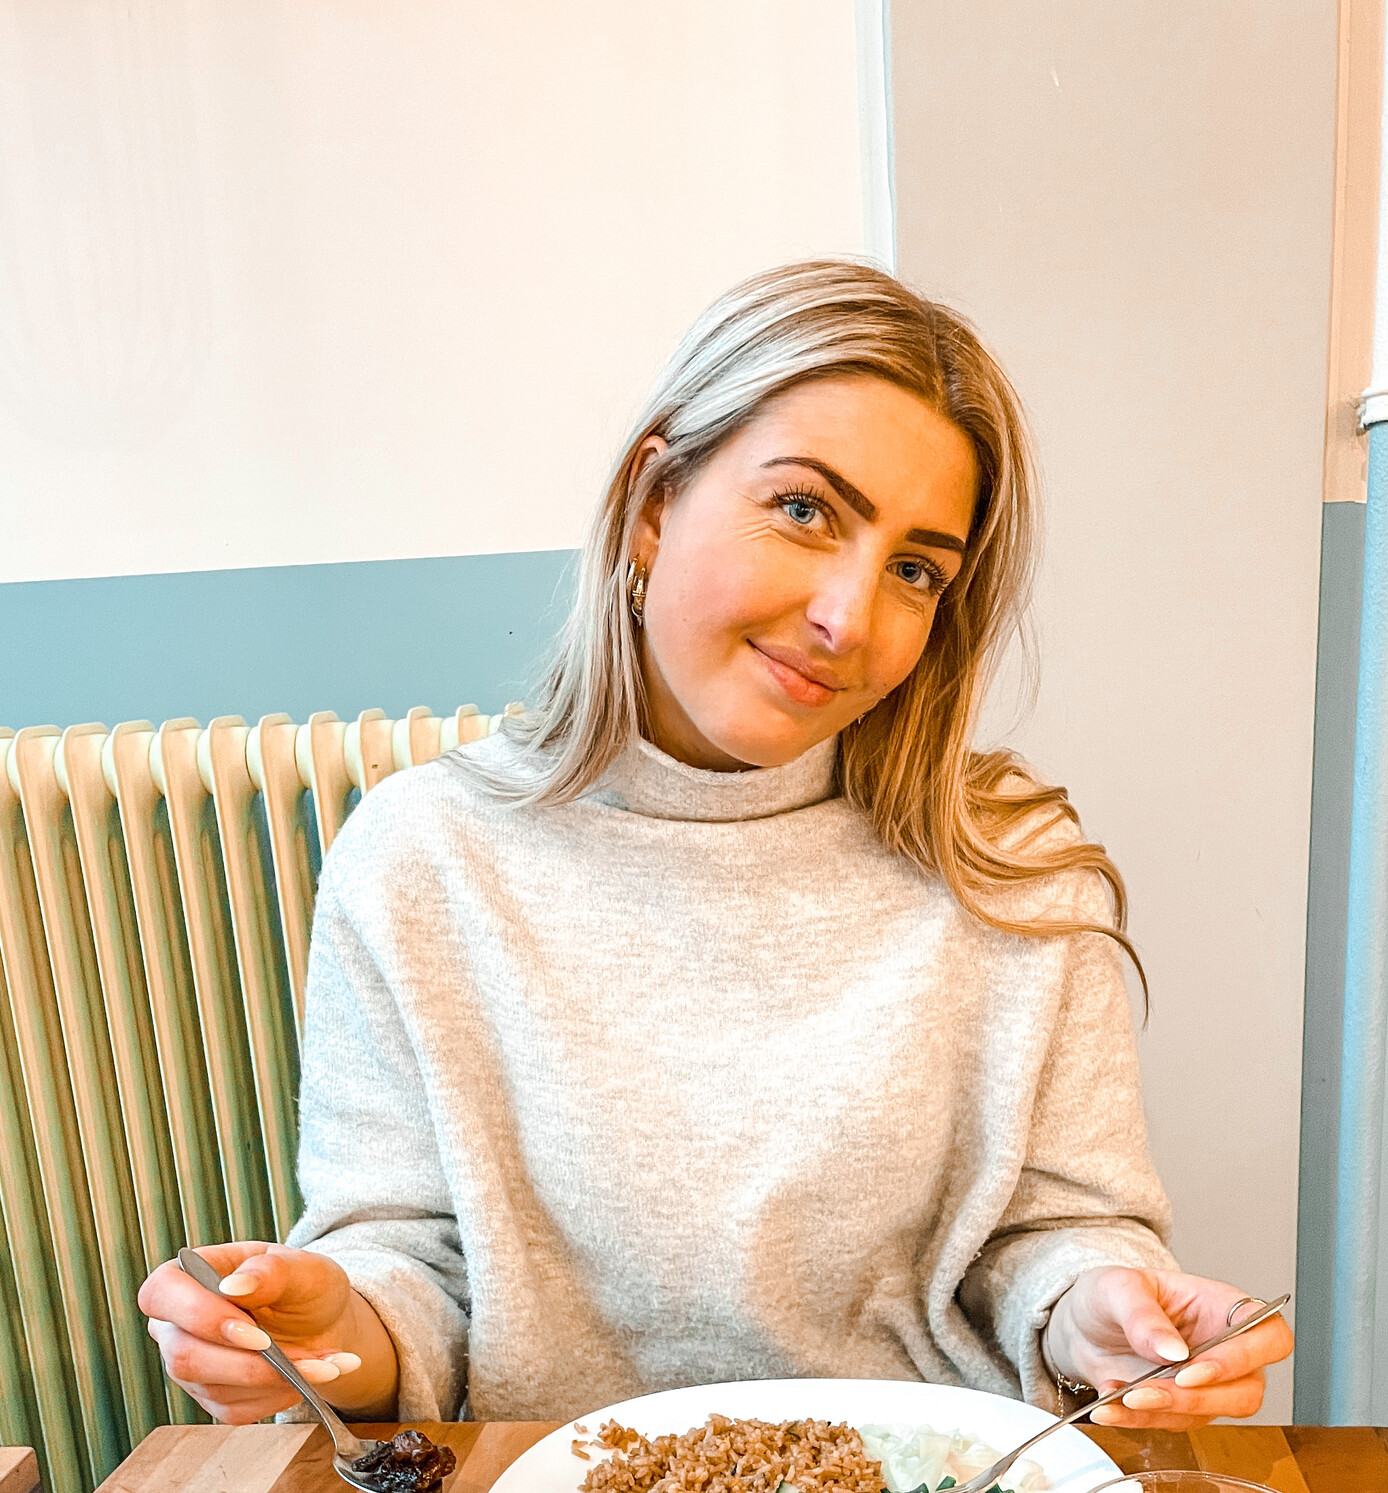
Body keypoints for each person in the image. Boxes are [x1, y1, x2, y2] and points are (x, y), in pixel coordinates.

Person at [137, 260, 1291, 1431]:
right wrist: (337, 1330)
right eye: (804, 511)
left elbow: (1051, 1232)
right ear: (652, 505)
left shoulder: (1015, 865)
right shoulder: (422, 858)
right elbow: (409, 1267)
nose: (849, 617)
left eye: (913, 570)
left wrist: (1089, 1305)